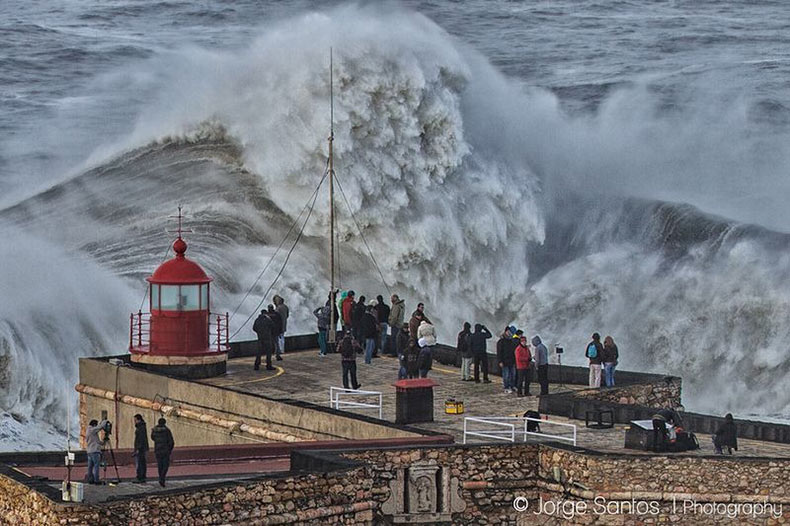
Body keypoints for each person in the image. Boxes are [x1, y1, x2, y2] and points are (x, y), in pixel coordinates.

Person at [151, 417, 175, 487]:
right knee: (165, 465)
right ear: (164, 423)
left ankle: (161, 477)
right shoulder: (167, 431)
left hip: (157, 450)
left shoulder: (154, 430)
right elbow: (171, 442)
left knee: (160, 465)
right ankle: (162, 478)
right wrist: (169, 450)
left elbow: (152, 438)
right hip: (165, 451)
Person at [85, 418, 108, 484]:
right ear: (94, 425)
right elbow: (99, 427)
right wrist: (104, 422)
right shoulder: (91, 430)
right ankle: (96, 480)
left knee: (90, 467)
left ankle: (90, 479)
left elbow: (96, 441)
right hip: (94, 451)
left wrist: (103, 442)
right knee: (96, 466)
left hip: (89, 451)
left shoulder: (88, 431)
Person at [497, 326, 517, 393]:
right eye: (509, 332)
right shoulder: (501, 341)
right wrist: (500, 361)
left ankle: (512, 386)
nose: (510, 334)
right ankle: (506, 387)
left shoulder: (512, 341)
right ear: (506, 331)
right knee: (506, 375)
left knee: (513, 375)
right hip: (505, 361)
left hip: (512, 361)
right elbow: (499, 352)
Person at [132, 414, 149, 483]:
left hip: (140, 448)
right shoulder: (141, 427)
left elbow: (141, 439)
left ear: (138, 420)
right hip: (142, 447)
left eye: (135, 420)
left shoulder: (140, 427)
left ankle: (140, 477)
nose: (134, 422)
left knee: (140, 463)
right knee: (142, 462)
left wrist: (138, 448)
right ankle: (141, 476)